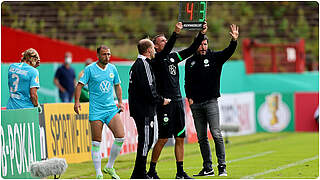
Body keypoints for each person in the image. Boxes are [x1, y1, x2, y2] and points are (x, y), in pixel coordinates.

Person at [147, 22, 208, 179]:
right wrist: (175, 34)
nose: (165, 42)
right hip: (165, 104)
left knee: (180, 137)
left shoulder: (173, 57)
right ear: (155, 46)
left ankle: (180, 172)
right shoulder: (156, 60)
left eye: (166, 40)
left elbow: (189, 50)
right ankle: (152, 171)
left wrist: (201, 34)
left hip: (178, 102)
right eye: (162, 41)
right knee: (163, 138)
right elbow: (166, 50)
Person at [184, 24, 239, 177]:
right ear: (196, 45)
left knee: (216, 133)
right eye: (201, 44)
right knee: (201, 137)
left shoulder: (215, 57)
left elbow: (228, 52)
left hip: (210, 102)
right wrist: (189, 98)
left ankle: (222, 166)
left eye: (205, 44)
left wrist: (234, 41)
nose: (203, 47)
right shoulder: (190, 62)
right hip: (196, 104)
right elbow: (186, 82)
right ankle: (208, 167)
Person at [74, 45, 125, 179]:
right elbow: (79, 86)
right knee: (96, 142)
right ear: (98, 55)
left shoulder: (112, 68)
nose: (107, 57)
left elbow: (117, 85)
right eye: (104, 54)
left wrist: (120, 102)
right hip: (96, 110)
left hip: (110, 109)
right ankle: (98, 173)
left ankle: (109, 166)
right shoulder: (90, 69)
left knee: (120, 137)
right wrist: (77, 102)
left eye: (109, 54)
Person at [128, 38, 171, 179]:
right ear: (148, 50)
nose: (154, 50)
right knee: (146, 140)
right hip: (144, 110)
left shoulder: (136, 65)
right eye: (153, 48)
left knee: (146, 139)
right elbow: (149, 89)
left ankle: (137, 172)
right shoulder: (143, 65)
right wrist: (161, 100)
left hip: (139, 109)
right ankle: (140, 173)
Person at [7, 48, 41, 112]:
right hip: (26, 109)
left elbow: (22, 73)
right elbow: (33, 95)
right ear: (34, 60)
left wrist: (32, 67)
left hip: (11, 108)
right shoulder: (33, 71)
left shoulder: (12, 66)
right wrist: (36, 106)